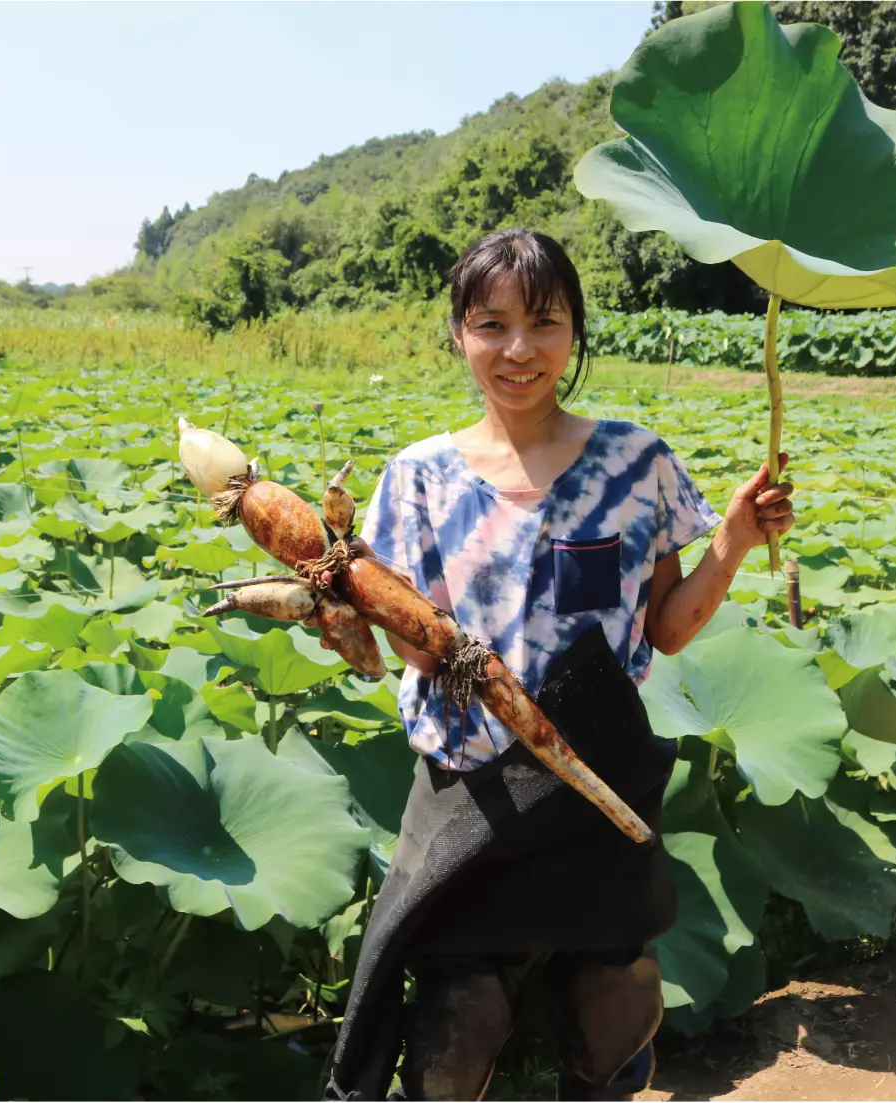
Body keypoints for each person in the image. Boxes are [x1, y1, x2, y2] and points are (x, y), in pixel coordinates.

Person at [324, 228, 795, 1102]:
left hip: (597, 778)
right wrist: (352, 608)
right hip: (472, 783)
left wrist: (730, 542)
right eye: (489, 323)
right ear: (458, 333)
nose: (517, 349)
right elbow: (412, 643)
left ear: (573, 330)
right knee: (454, 1028)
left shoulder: (633, 461)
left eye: (543, 322)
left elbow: (666, 629)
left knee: (611, 1010)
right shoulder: (416, 477)